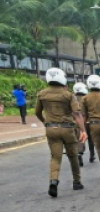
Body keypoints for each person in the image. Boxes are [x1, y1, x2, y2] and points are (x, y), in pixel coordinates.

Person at [35, 68, 86, 197]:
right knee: (73, 155)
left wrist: (46, 122)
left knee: (55, 157)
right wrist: (83, 130)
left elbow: (37, 112)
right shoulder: (68, 95)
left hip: (51, 129)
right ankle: (77, 182)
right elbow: (76, 113)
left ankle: (53, 181)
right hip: (67, 128)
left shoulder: (42, 94)